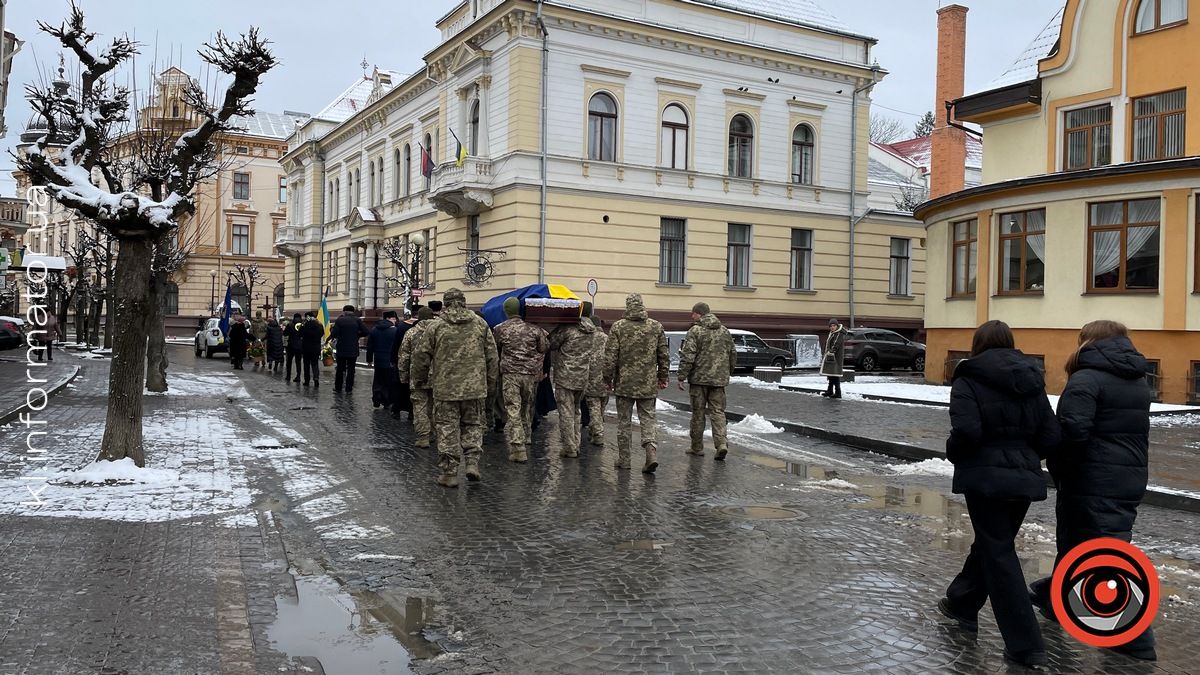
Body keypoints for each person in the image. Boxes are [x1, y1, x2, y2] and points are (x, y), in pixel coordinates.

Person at [1029, 320, 1157, 661]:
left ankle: (1137, 637)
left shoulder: (1087, 378)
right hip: (1127, 477)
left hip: (1092, 479)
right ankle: (1056, 599)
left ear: (1088, 342)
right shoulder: (1136, 380)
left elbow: (1072, 431)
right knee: (1078, 542)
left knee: (1106, 552)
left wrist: (1059, 465)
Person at [937, 320, 1059, 670]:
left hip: (985, 477)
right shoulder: (1031, 377)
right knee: (994, 544)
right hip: (1021, 479)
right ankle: (962, 602)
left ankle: (1026, 645)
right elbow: (1050, 435)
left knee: (999, 552)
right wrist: (1023, 455)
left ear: (978, 344)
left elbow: (967, 430)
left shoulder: (968, 376)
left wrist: (955, 452)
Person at [411, 288, 498, 488]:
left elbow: (421, 356)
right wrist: (490, 384)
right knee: (473, 425)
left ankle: (449, 473)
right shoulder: (481, 324)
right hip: (474, 388)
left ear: (445, 304)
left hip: (445, 388)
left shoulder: (436, 326)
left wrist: (419, 379)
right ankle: (472, 463)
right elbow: (492, 358)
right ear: (464, 302)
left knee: (447, 428)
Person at [604, 293, 669, 473]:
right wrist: (663, 377)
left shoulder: (618, 327)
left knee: (624, 422)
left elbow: (610, 357)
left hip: (624, 384)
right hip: (647, 384)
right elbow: (663, 355)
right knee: (648, 419)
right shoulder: (656, 327)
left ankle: (624, 460)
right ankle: (651, 451)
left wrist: (606, 378)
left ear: (627, 307)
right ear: (642, 306)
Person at [677, 302, 737, 460]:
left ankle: (697, 447)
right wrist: (727, 373)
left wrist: (682, 376)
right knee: (718, 412)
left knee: (698, 413)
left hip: (699, 381)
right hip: (719, 381)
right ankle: (722, 443)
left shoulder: (695, 331)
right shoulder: (724, 331)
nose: (692, 316)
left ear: (699, 314)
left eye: (694, 313)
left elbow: (688, 355)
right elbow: (732, 354)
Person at [493, 297, 549, 463]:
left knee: (513, 408)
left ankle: (518, 447)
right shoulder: (534, 329)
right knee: (527, 406)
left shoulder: (500, 329)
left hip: (510, 374)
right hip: (531, 375)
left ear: (506, 311)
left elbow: (495, 349)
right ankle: (527, 437)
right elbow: (544, 348)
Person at [549, 307, 596, 459]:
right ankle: (575, 443)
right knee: (576, 411)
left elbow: (551, 343)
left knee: (566, 412)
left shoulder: (567, 328)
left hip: (565, 377)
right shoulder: (591, 330)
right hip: (582, 377)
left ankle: (569, 447)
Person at [399, 307, 437, 447]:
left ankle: (423, 437)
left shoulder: (411, 332)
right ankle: (434, 432)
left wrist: (403, 375)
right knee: (434, 406)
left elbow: (404, 357)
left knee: (419, 406)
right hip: (437, 375)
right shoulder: (438, 332)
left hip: (417, 375)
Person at [583, 307, 609, 448]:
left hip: (591, 378)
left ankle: (598, 434)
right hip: (606, 379)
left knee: (593, 408)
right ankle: (594, 431)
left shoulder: (588, 338)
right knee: (601, 408)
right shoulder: (608, 338)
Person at [329, 305, 368, 393]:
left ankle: (338, 387)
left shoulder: (340, 320)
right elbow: (366, 331)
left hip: (341, 348)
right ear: (353, 311)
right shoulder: (358, 320)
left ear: (344, 311)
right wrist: (357, 335)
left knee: (340, 369)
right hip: (353, 348)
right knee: (351, 369)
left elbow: (334, 333)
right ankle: (349, 388)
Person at [366, 312, 399, 409]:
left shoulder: (374, 329)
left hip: (378, 360)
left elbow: (370, 346)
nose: (395, 320)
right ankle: (386, 401)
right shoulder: (394, 331)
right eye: (393, 318)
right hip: (390, 360)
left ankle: (376, 399)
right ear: (388, 318)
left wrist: (369, 360)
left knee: (378, 380)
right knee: (389, 382)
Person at [390, 309, 417, 417]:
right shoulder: (426, 327)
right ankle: (411, 411)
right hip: (418, 363)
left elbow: (396, 344)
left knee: (400, 385)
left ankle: (396, 409)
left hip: (402, 360)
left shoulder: (402, 326)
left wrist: (393, 359)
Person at [820, 318, 846, 398]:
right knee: (830, 374)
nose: (832, 327)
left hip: (835, 358)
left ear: (837, 326)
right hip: (831, 357)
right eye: (831, 326)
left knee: (835, 375)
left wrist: (831, 352)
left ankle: (838, 392)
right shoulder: (833, 333)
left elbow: (836, 344)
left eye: (834, 325)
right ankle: (830, 390)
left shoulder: (839, 333)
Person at [299, 311, 324, 387]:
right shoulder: (319, 324)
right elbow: (322, 333)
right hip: (316, 347)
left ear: (307, 317)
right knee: (315, 364)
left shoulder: (305, 324)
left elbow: (300, 333)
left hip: (306, 347)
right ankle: (316, 378)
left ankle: (307, 381)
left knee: (306, 364)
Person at [283, 313, 304, 382]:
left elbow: (285, 333)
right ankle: (298, 376)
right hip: (300, 346)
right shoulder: (303, 325)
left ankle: (288, 376)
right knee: (298, 362)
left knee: (289, 361)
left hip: (291, 345)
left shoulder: (290, 324)